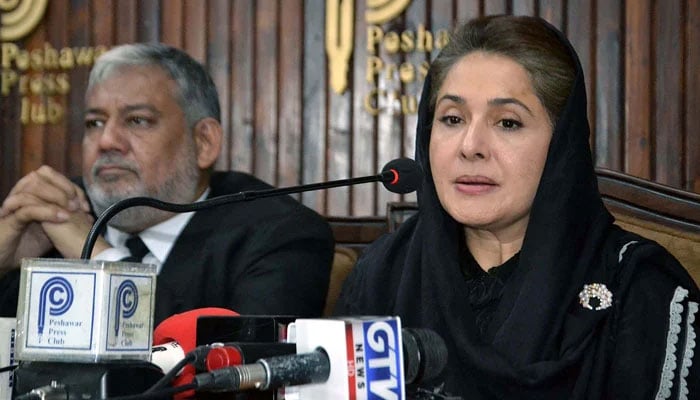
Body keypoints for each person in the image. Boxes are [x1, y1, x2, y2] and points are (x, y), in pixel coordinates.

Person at [335, 15, 699, 399]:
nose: (470, 145)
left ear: (562, 145)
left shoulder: (641, 289)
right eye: (452, 118)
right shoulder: (383, 274)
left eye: (507, 123)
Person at [0, 43, 335, 325]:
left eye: (137, 120)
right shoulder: (54, 212)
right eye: (94, 122)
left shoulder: (280, 235)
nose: (106, 140)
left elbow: (235, 373)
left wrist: (95, 258)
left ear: (203, 142)